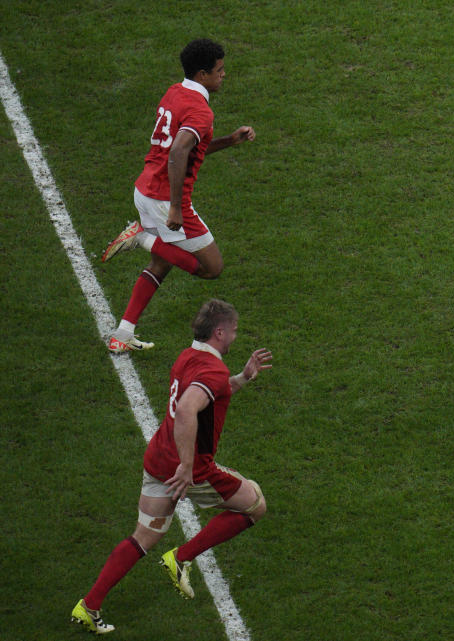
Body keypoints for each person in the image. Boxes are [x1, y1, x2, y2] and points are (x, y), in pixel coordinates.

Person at [71, 299, 272, 634]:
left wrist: (243, 378)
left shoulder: (188, 357)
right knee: (255, 505)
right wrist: (189, 467)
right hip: (189, 470)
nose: (236, 336)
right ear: (220, 332)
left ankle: (89, 605)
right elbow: (188, 409)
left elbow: (210, 396)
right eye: (234, 331)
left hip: (159, 460)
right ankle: (180, 558)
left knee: (144, 537)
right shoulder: (211, 370)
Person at [100, 38, 256, 353]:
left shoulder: (175, 92)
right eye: (219, 70)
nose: (224, 75)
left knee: (162, 262)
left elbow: (187, 150)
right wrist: (175, 208)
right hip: (162, 200)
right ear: (202, 74)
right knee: (212, 268)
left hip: (144, 189)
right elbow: (179, 151)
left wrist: (229, 141)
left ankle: (123, 334)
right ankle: (139, 237)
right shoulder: (201, 111)